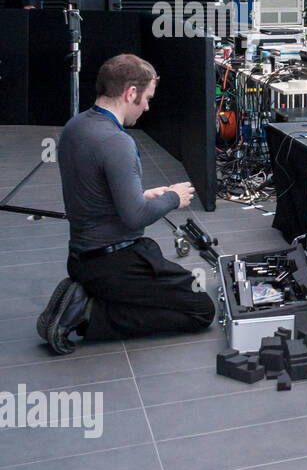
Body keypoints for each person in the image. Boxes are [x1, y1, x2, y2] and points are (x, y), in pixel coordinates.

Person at [38, 54, 216, 354]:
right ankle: (88, 314)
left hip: (80, 259)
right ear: (130, 92)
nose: (147, 106)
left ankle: (86, 296)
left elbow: (92, 191)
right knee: (201, 308)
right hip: (115, 265)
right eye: (146, 98)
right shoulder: (117, 142)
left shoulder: (74, 127)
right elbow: (135, 217)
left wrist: (141, 194)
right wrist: (174, 197)